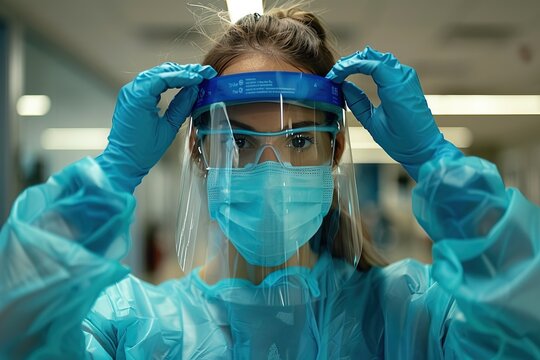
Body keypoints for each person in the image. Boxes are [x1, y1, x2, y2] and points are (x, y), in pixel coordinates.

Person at [1, 6, 539, 359]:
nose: (271, 171)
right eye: (238, 142)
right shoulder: (127, 329)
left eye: (300, 141)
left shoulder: (411, 317)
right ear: (200, 153)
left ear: (336, 151)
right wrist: (112, 173)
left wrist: (435, 160)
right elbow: (18, 333)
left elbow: (522, 319)